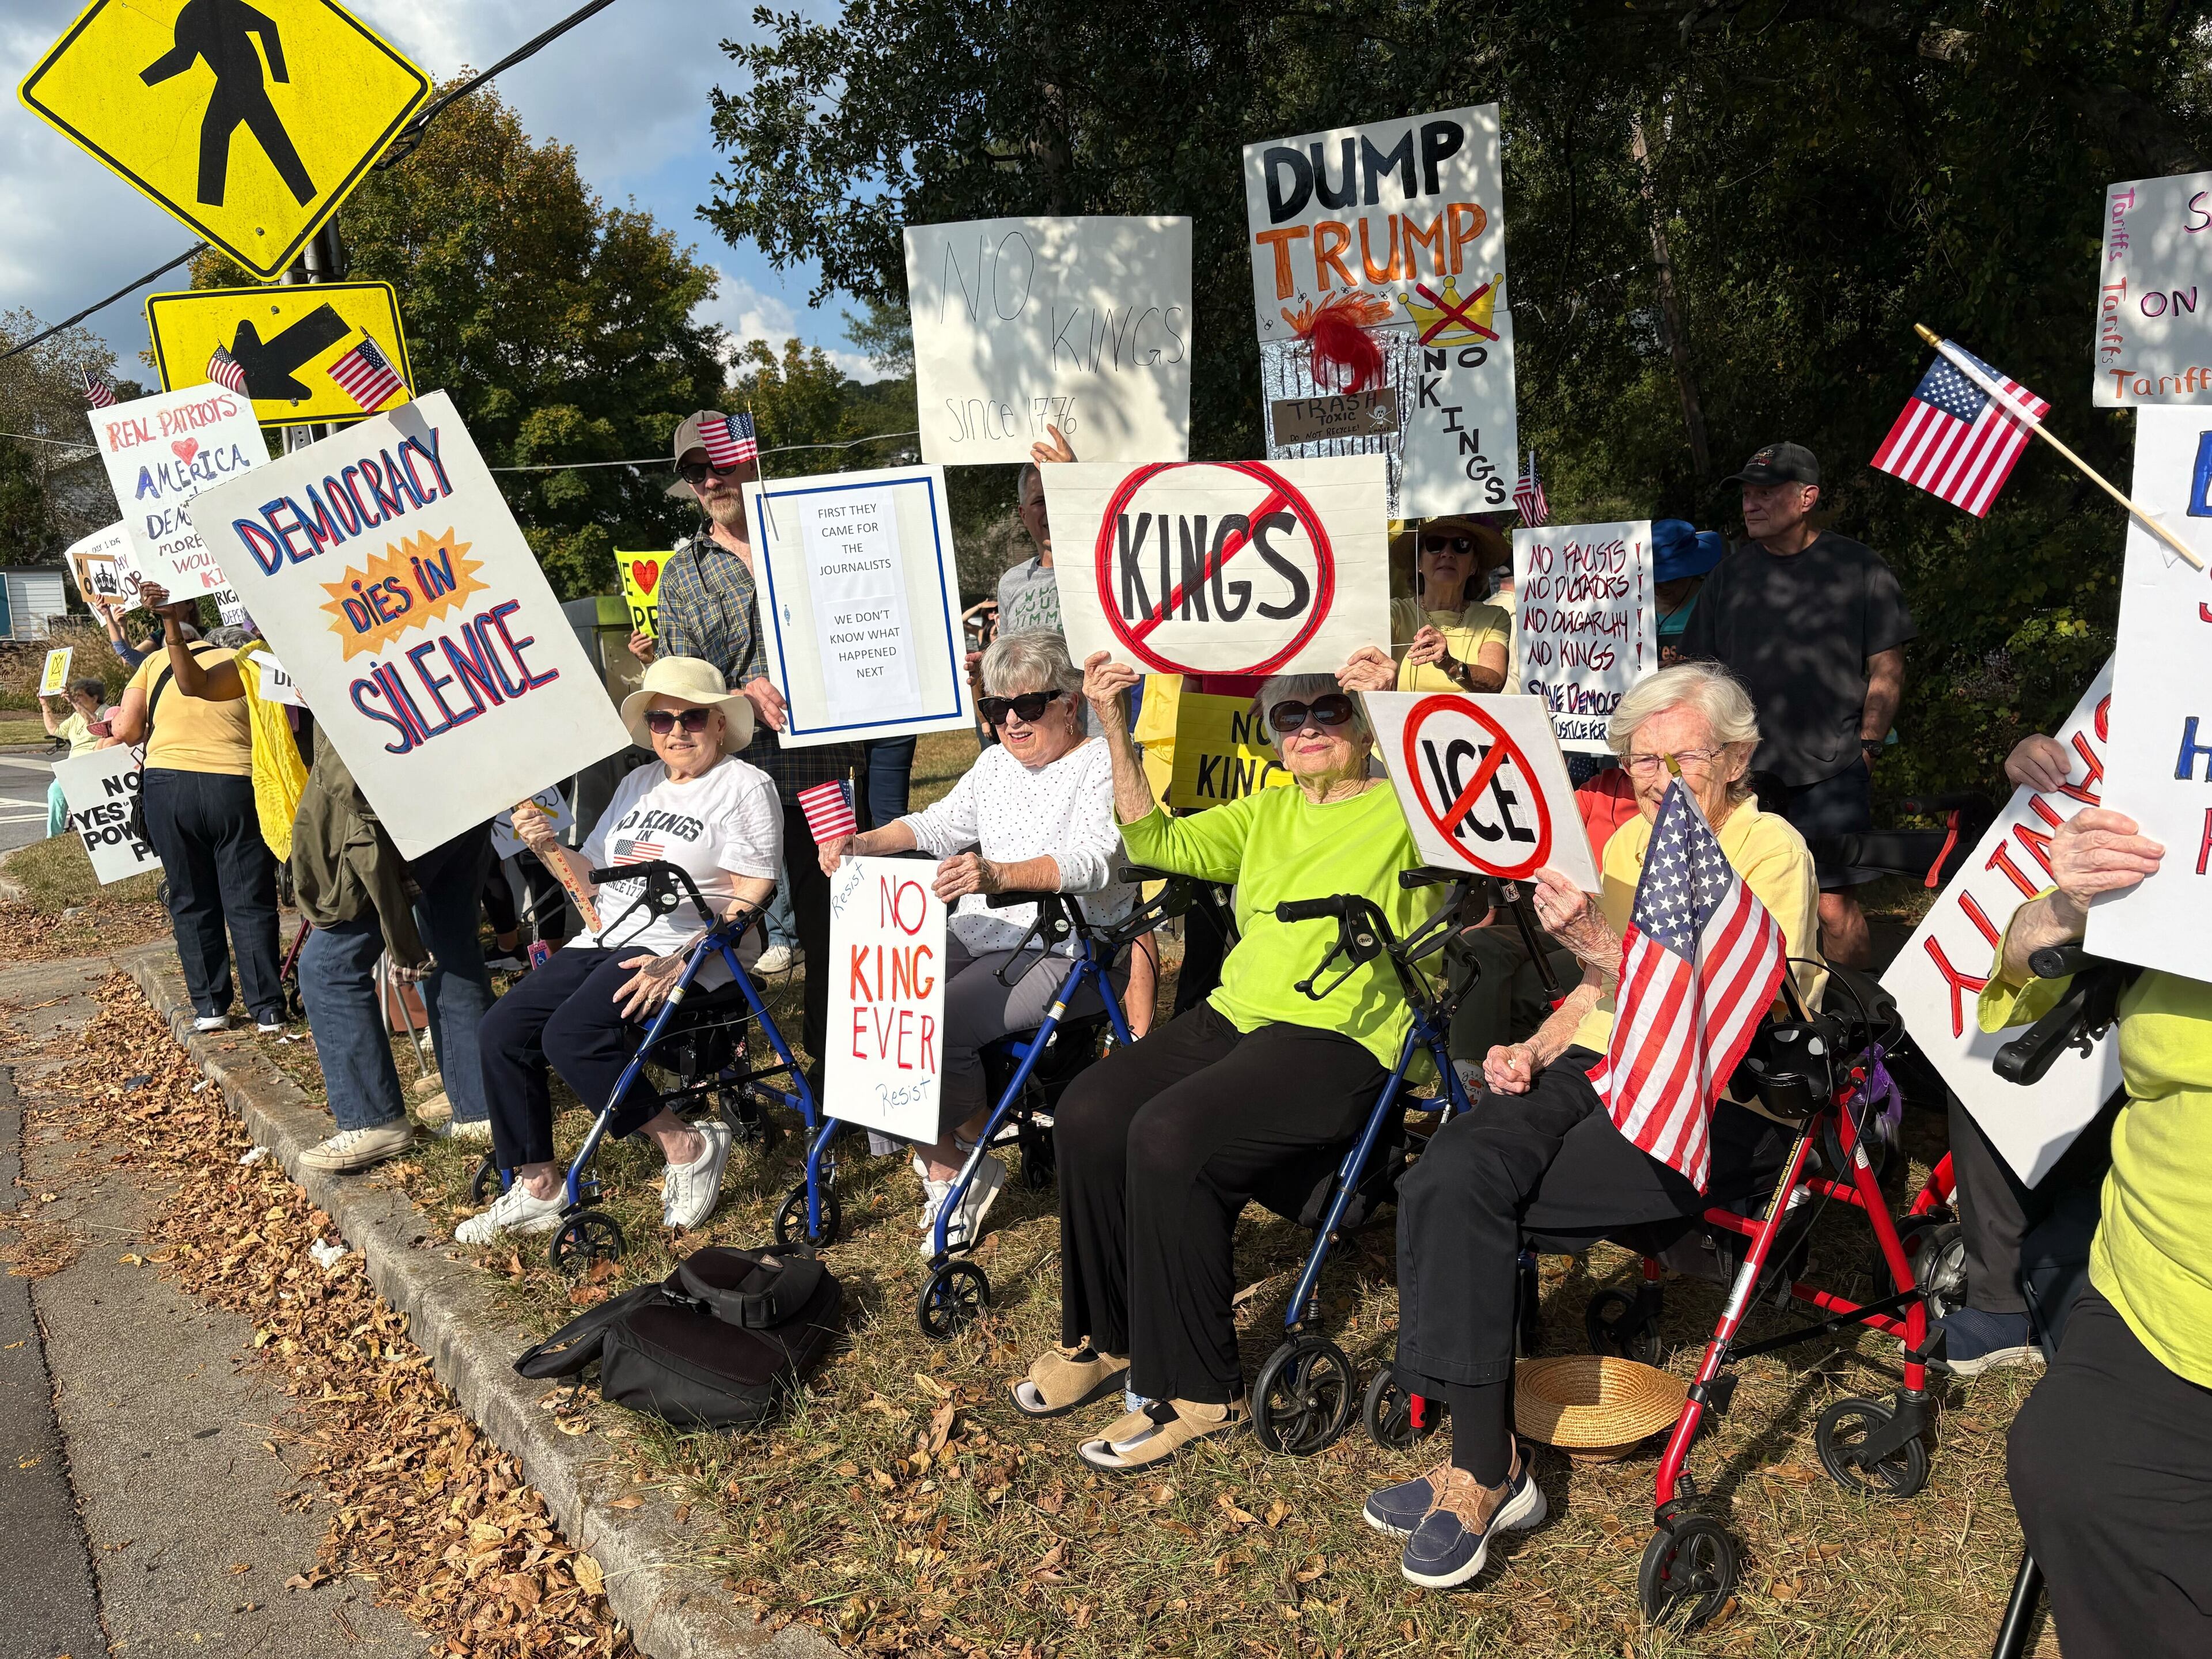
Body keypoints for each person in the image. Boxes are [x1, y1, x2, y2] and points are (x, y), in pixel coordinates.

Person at [1366, 662, 1820, 1589]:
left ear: (1735, 757)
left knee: (1482, 1201)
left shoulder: (1771, 850)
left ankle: (1479, 1471)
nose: (1654, 777)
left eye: (1678, 757)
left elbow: (1747, 1012)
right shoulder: (1634, 843)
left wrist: (1601, 947)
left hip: (1706, 1093)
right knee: (1443, 1174)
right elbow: (1600, 990)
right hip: (1601, 1065)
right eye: (1638, 759)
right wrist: (1532, 1049)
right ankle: (1484, 1464)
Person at [1009, 649, 1433, 1473]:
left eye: (1329, 710)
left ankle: (1202, 1390)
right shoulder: (1267, 812)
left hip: (1345, 1032)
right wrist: (1112, 722)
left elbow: (1471, 820)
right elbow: (1155, 839)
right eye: (1290, 715)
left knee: (1170, 1134)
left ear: (1358, 722)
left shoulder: (1408, 808)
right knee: (1093, 1109)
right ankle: (1107, 1336)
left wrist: (1395, 709)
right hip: (1240, 1014)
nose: (1310, 728)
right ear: (1271, 735)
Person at [1978, 791, 2210, 1657]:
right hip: (2170, 1284)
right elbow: (2012, 976)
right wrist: (2070, 900)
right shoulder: (2184, 791)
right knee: (2069, 1464)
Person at [818, 631, 1134, 1256]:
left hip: (1065, 945)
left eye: (1030, 705)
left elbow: (1100, 859)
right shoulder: (994, 766)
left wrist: (1002, 875)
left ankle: (959, 1147)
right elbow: (938, 824)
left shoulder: (1101, 763)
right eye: (996, 709)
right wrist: (863, 843)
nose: (1011, 721)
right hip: (984, 930)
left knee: (931, 1021)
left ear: (1071, 702)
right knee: (876, 999)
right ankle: (954, 1153)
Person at [462, 657, 779, 1243]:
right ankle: (539, 1183)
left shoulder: (744, 786)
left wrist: (687, 956)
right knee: (501, 1031)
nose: (676, 731)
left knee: (571, 1036)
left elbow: (754, 892)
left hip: (684, 949)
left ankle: (686, 1145)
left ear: (719, 725)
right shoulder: (639, 782)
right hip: (610, 935)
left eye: (692, 718)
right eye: (662, 718)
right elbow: (594, 881)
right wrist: (551, 846)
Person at [630, 412, 857, 1077]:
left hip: (822, 771)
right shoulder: (682, 575)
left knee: (831, 916)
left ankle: (832, 1064)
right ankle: (722, 1072)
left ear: (751, 458)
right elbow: (680, 689)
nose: (709, 480)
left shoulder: (819, 541)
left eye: (719, 462)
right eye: (695, 473)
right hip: (734, 776)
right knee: (727, 923)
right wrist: (737, 690)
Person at [1676, 444, 1911, 970]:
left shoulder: (1859, 568)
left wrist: (1868, 746)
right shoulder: (1727, 578)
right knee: (1743, 904)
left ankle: (1858, 1027)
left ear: (1807, 498)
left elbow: (1888, 667)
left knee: (1832, 907)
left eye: (1767, 492)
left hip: (1832, 772)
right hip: (1741, 775)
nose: (1750, 504)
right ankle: (1772, 1031)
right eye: (1747, 493)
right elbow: (1696, 677)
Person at [286, 739, 499, 1169]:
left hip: (403, 790)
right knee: (452, 945)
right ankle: (479, 1111)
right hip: (469, 775)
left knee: (329, 965)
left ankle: (372, 1121)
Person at [108, 589, 283, 1035]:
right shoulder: (247, 665)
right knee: (249, 898)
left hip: (170, 783)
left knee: (190, 898)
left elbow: (127, 729)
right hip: (236, 782)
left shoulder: (152, 665)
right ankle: (268, 1008)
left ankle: (210, 1007)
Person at [1387, 516, 1512, 692]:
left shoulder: (1494, 618)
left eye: (1462, 545)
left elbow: (1495, 682)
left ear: (1474, 565)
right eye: (1435, 544)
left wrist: (1451, 664)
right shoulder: (1395, 613)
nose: (1447, 553)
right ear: (1419, 563)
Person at [40, 677, 109, 836]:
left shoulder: (106, 712)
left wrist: (74, 702)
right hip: (73, 768)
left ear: (94, 697)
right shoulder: (76, 717)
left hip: (94, 766)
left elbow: (93, 724)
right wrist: (44, 705)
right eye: (75, 696)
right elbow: (55, 730)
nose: (76, 699)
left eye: (80, 696)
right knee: (56, 790)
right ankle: (53, 836)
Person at [1650, 519, 1725, 664]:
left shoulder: (1715, 604)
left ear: (1691, 573)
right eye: (1652, 580)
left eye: (1670, 580)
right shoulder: (1633, 608)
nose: (1658, 588)